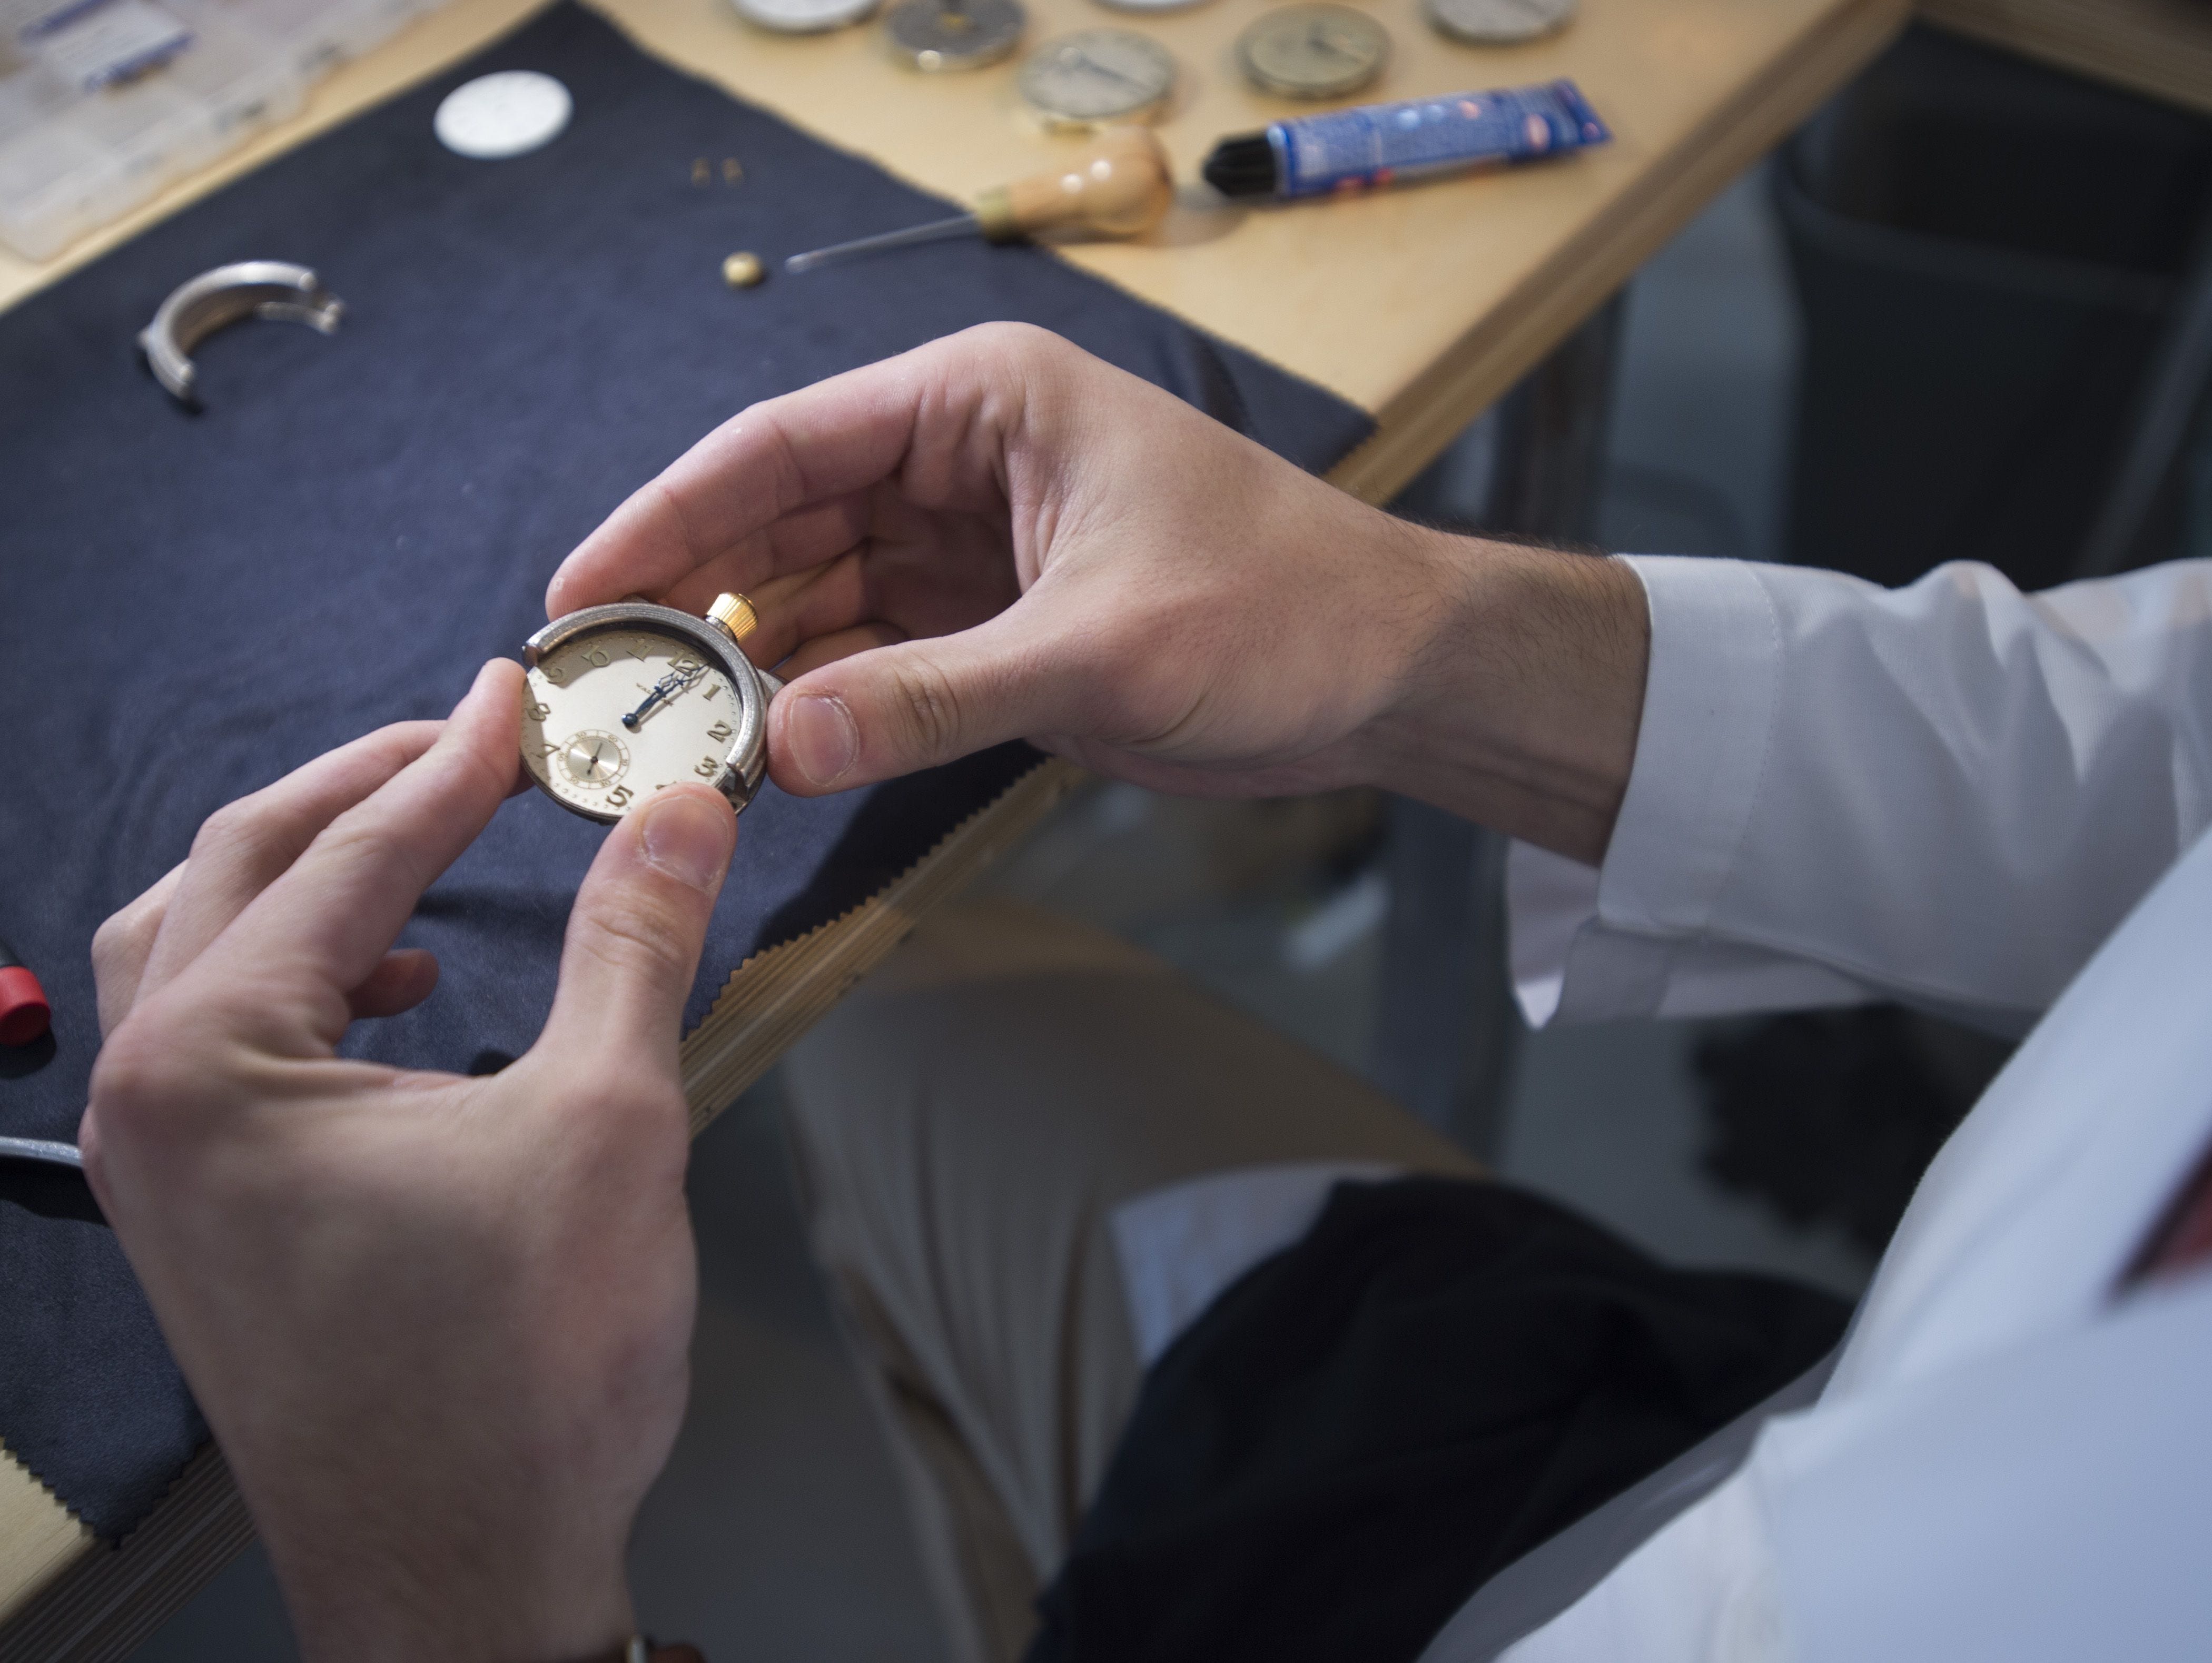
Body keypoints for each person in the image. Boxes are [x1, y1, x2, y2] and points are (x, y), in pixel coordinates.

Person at [81, 324, 2212, 1663]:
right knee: (908, 1018)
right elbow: (2164, 757)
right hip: (1700, 1432)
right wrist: (1410, 626)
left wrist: (444, 1585)